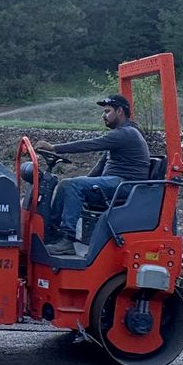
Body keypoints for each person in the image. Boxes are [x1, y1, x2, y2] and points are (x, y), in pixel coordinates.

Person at [42, 93, 149, 249]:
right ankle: (51, 233)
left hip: (126, 184)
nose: (103, 115)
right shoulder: (122, 134)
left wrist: (54, 148)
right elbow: (101, 165)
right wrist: (85, 180)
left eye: (107, 111)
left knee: (72, 185)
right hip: (115, 182)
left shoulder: (126, 133)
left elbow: (90, 144)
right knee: (68, 184)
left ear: (119, 111)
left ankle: (66, 239)